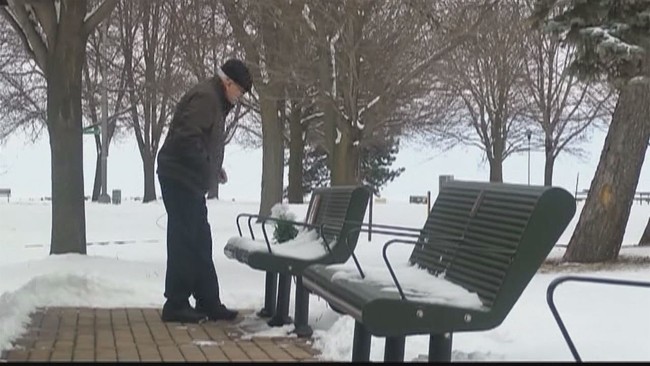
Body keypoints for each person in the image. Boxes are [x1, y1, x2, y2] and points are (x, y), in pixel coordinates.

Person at [156, 58, 253, 323]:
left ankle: (207, 301)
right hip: (179, 175)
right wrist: (207, 165)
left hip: (186, 176)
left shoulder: (214, 99)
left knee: (199, 239)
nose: (240, 97)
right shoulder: (207, 98)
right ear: (228, 82)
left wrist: (213, 169)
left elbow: (198, 138)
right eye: (240, 91)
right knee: (185, 239)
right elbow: (187, 137)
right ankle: (176, 303)